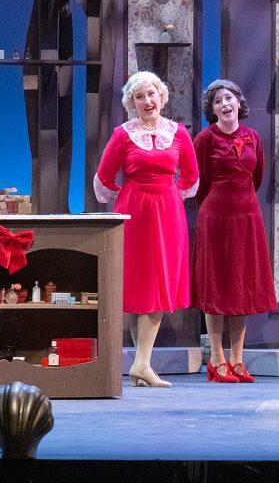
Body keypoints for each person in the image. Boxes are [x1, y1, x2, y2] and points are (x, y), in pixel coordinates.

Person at [94, 71, 199, 388]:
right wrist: (127, 197)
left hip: (167, 214)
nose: (147, 101)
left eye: (151, 94)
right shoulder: (123, 135)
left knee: (158, 283)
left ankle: (142, 365)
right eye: (139, 97)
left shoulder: (178, 133)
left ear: (161, 96)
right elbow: (104, 178)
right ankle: (141, 365)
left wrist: (167, 196)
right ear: (132, 102)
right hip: (134, 212)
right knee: (138, 286)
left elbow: (191, 177)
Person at [192, 79, 279, 384]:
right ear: (211, 109)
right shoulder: (205, 138)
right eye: (218, 101)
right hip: (215, 216)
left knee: (241, 286)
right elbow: (198, 182)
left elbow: (256, 177)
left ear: (239, 103)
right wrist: (217, 206)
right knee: (217, 285)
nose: (225, 104)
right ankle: (216, 360)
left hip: (247, 215)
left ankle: (237, 360)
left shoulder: (253, 137)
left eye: (229, 98)